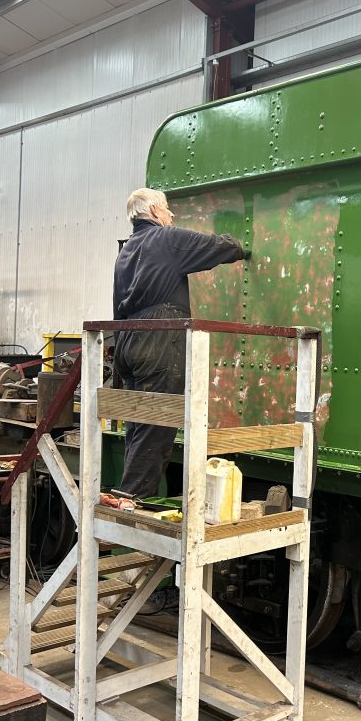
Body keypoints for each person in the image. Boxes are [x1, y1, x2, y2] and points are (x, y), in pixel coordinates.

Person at [112, 187, 249, 501]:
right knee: (158, 423)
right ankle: (131, 500)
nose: (171, 215)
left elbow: (117, 305)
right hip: (160, 335)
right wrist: (240, 246)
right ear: (157, 211)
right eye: (168, 210)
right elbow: (215, 247)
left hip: (128, 338)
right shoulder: (166, 238)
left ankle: (126, 492)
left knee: (138, 420)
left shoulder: (126, 250)